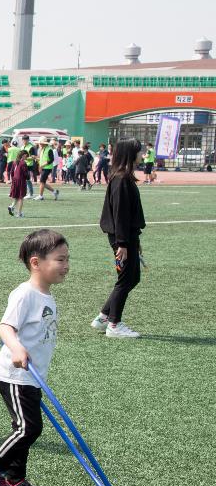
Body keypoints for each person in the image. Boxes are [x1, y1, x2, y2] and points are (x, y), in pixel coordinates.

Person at [0, 229, 67, 486]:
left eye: (67, 259)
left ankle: (14, 480)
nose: (66, 265)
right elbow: (5, 328)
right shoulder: (25, 294)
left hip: (33, 376)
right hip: (15, 374)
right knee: (29, 428)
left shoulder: (46, 295)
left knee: (23, 426)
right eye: (59, 260)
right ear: (36, 263)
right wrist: (16, 348)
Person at [90, 139, 146, 339]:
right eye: (139, 152)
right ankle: (114, 324)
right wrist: (122, 243)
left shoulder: (124, 178)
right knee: (125, 280)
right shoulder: (121, 179)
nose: (142, 155)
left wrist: (135, 241)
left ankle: (104, 315)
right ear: (130, 154)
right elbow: (120, 214)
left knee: (133, 278)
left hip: (128, 236)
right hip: (121, 238)